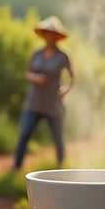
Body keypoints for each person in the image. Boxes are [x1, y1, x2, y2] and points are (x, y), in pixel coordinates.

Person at [13, 16, 75, 170]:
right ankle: (16, 167)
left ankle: (61, 168)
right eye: (46, 33)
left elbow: (72, 77)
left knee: (58, 138)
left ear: (56, 36)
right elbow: (28, 73)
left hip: (53, 104)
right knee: (25, 132)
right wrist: (35, 77)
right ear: (43, 35)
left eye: (51, 34)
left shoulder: (63, 56)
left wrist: (65, 90)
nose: (49, 36)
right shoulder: (37, 54)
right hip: (34, 102)